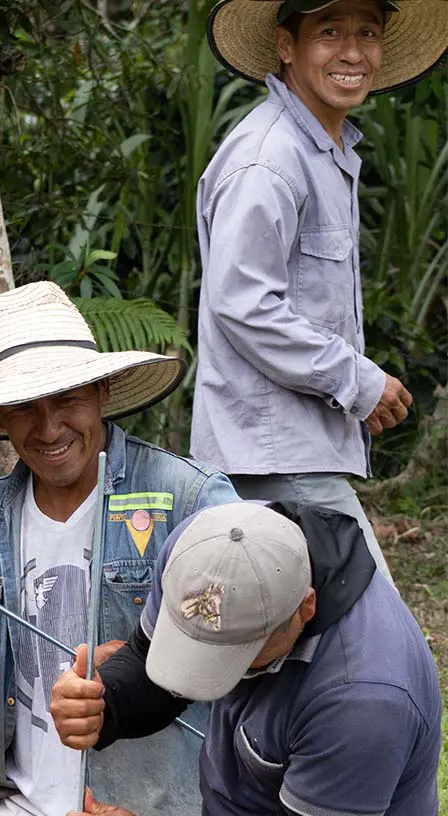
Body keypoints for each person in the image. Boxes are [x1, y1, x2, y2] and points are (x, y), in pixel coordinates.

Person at [0, 280, 237, 816]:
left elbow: (248, 638)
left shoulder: (186, 498)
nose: (48, 427)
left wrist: (139, 667)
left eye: (66, 400)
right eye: (23, 408)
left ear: (101, 392)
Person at [50, 501, 442, 816]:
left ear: (304, 608)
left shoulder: (364, 692)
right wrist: (104, 704)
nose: (206, 671)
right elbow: (150, 669)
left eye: (236, 654)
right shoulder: (202, 554)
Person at [191, 0, 448, 580]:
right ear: (287, 46)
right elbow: (245, 304)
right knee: (375, 621)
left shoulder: (321, 151)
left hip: (295, 451)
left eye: (368, 33)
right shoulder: (268, 159)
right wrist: (357, 381)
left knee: (298, 628)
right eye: (330, 32)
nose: (352, 52)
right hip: (277, 456)